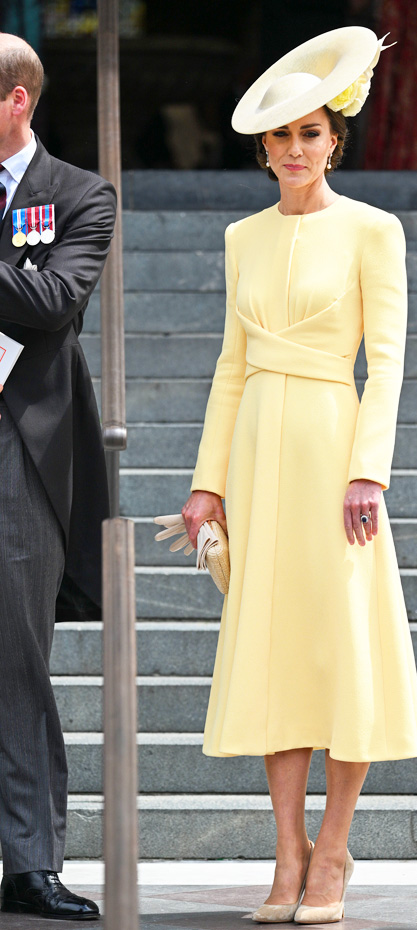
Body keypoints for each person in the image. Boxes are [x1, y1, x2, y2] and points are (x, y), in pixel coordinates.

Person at [181, 26, 417, 925]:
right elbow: (229, 366)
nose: (296, 150)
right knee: (278, 659)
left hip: (335, 455)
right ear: (263, 149)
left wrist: (370, 471)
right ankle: (285, 856)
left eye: (312, 134)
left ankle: (334, 849)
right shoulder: (241, 238)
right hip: (256, 457)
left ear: (336, 139)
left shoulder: (375, 230)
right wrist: (208, 483)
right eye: (282, 137)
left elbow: (389, 362)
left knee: (341, 652)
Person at [0, 33, 115, 920]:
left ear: (16, 101)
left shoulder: (79, 195)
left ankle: (31, 863)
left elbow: (50, 305)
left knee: (16, 659)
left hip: (19, 454)